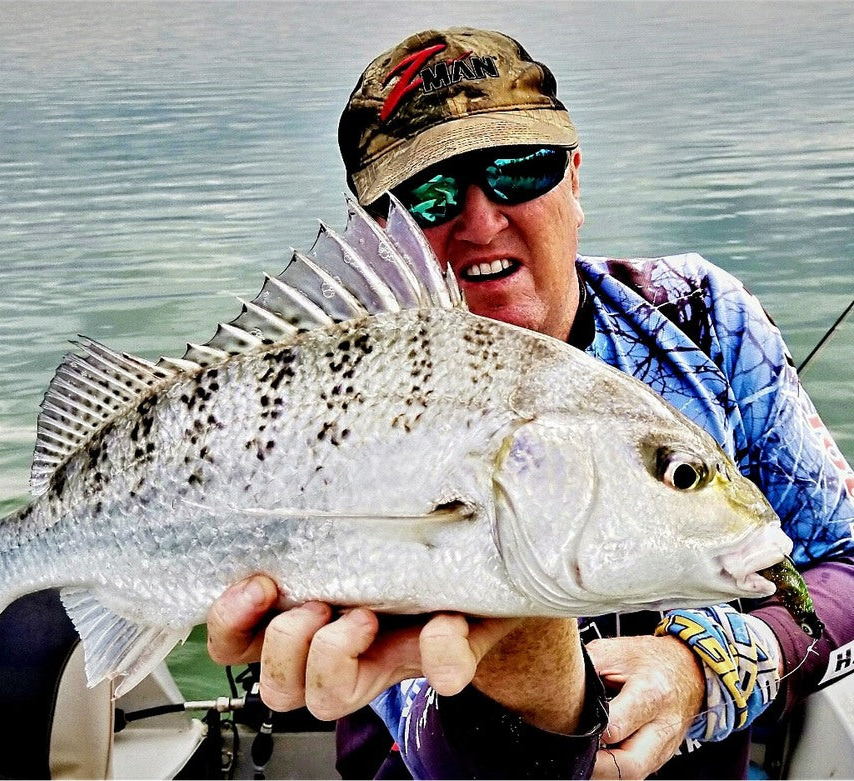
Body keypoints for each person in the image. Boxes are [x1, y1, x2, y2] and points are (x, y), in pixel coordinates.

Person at [205, 28, 854, 779]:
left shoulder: (701, 316)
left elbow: (845, 559)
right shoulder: (351, 401)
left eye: (518, 168)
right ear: (382, 233)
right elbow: (446, 753)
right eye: (430, 193)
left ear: (574, 177)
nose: (480, 220)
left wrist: (704, 665)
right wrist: (523, 661)